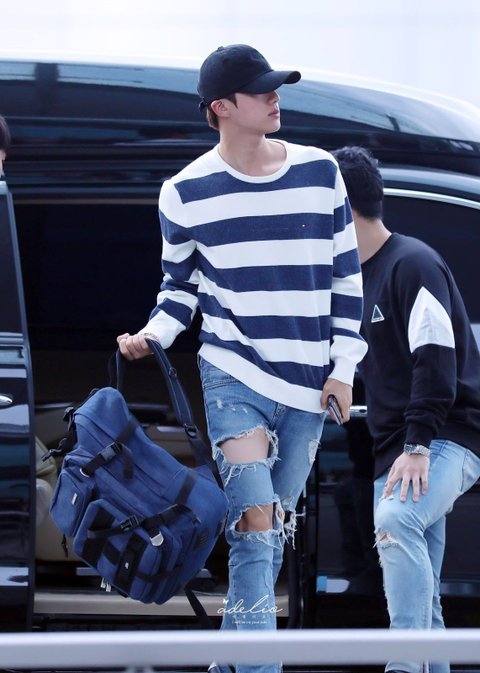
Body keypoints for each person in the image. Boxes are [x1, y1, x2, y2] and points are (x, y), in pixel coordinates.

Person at [118, 45, 367, 673]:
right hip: (233, 373)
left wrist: (343, 368)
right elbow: (179, 289)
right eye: (261, 90)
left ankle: (229, 662)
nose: (275, 97)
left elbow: (346, 278)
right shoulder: (185, 192)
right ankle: (258, 668)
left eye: (275, 87)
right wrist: (152, 335)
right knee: (255, 526)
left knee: (269, 535)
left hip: (308, 383)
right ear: (222, 108)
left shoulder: (321, 173)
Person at [333, 145, 480, 673]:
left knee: (395, 521)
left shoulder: (411, 263)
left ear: (341, 207)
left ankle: (403, 664)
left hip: (443, 437)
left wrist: (417, 444)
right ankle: (425, 664)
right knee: (425, 598)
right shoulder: (354, 280)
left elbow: (436, 360)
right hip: (393, 448)